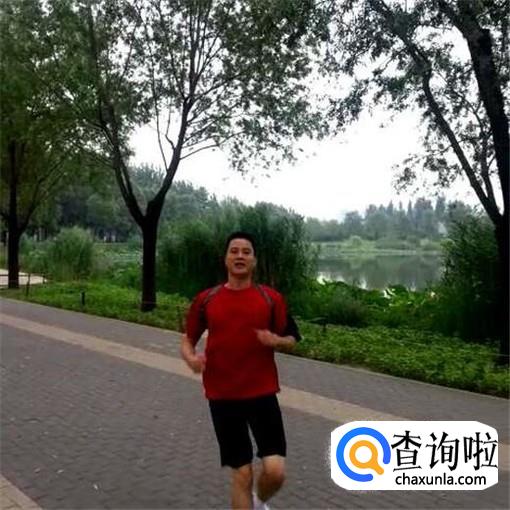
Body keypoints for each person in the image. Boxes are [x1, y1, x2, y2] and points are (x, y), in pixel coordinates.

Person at [181, 231, 300, 510]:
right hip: (222, 397)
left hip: (262, 394)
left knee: (275, 472)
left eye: (246, 252)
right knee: (242, 473)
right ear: (225, 259)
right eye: (234, 251)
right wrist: (190, 358)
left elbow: (293, 338)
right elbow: (187, 339)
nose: (240, 256)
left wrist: (277, 340)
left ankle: (259, 502)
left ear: (254, 260)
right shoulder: (207, 299)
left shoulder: (271, 299)